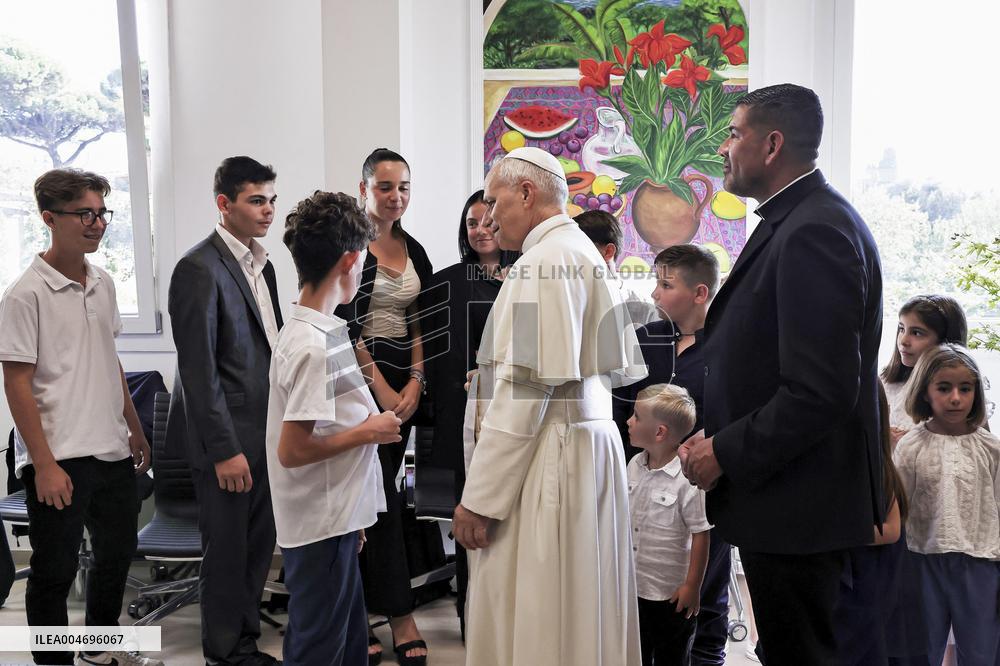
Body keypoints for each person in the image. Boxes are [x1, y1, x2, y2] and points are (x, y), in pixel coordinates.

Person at [679, 84, 884, 665]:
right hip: (789, 500)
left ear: (772, 144)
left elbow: (820, 391)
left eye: (735, 133)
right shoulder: (795, 219)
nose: (724, 147)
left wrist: (724, 450)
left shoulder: (814, 230)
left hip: (803, 506)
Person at [454, 146, 646, 666]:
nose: (489, 218)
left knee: (544, 611)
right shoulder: (578, 251)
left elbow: (524, 394)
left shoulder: (544, 262)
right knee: (580, 610)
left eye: (494, 202)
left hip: (550, 459)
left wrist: (481, 498)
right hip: (582, 449)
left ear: (526, 192)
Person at [0, 168, 160, 666]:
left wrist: (133, 426)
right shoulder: (24, 295)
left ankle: (100, 649)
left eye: (102, 213)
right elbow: (17, 384)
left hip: (109, 446)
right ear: (50, 218)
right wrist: (43, 464)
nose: (97, 223)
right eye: (84, 214)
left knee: (114, 558)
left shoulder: (103, 282)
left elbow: (108, 359)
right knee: (54, 570)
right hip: (60, 457)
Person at [266, 190, 403, 665]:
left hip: (337, 516)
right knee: (318, 648)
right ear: (350, 260)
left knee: (345, 646)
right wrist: (372, 431)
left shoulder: (321, 328)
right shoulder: (311, 345)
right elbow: (294, 449)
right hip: (320, 522)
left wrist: (354, 516)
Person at [166, 156, 283, 666]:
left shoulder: (266, 264)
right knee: (228, 553)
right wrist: (225, 451)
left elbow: (270, 350)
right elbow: (199, 372)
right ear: (224, 204)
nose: (268, 210)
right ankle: (222, 653)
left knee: (257, 552)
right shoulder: (197, 268)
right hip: (229, 445)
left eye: (271, 200)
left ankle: (245, 645)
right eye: (256, 200)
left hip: (268, 436)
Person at [334, 148, 433, 665]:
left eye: (404, 188)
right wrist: (383, 393)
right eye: (386, 187)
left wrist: (415, 379)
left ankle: (384, 611)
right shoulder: (347, 243)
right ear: (364, 187)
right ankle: (392, 615)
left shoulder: (412, 246)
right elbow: (344, 325)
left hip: (405, 380)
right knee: (367, 501)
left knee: (384, 499)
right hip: (356, 382)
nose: (396, 198)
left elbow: (424, 318)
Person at [611, 244, 730, 665]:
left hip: (706, 486)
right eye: (655, 283)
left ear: (700, 293)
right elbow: (621, 407)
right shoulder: (644, 340)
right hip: (647, 486)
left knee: (706, 589)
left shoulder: (727, 347)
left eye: (666, 285)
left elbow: (734, 414)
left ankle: (707, 656)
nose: (656, 295)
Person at [423, 189, 506, 638]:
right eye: (472, 223)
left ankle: (503, 615)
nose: (481, 230)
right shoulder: (446, 281)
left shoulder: (527, 279)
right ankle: (470, 614)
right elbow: (433, 353)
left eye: (489, 221)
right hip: (464, 417)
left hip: (511, 416)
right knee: (467, 513)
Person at [893, 344, 1000, 664]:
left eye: (965, 389)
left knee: (981, 653)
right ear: (926, 392)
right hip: (921, 561)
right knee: (921, 652)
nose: (955, 397)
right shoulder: (911, 446)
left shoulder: (991, 449)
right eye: (944, 388)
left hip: (980, 564)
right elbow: (900, 506)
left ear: (976, 393)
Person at [626, 384, 710, 666]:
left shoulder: (688, 479)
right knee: (635, 654)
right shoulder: (634, 465)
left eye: (636, 416)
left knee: (672, 658)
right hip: (633, 587)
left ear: (659, 432)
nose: (628, 421)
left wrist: (692, 586)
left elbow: (700, 533)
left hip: (670, 597)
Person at [832, 383, 910, 666]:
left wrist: (835, 533)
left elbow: (891, 530)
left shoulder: (877, 468)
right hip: (840, 578)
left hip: (868, 580)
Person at [881, 295, 969, 444]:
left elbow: (981, 451)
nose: (903, 341)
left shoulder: (962, 394)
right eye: (902, 329)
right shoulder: (887, 383)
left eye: (916, 333)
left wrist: (917, 443)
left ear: (944, 342)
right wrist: (882, 437)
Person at [574, 209, 657, 326]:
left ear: (608, 251)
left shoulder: (644, 311)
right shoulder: (571, 300)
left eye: (579, 250)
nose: (571, 257)